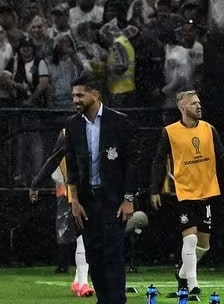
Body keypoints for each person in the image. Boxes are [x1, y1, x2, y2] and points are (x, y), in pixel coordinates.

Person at [149, 90, 224, 298]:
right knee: (190, 240)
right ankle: (193, 285)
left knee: (204, 245)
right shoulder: (169, 132)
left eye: (199, 102)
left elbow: (222, 154)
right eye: (194, 103)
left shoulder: (209, 129)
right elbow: (158, 161)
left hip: (205, 191)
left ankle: (182, 274)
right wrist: (154, 189)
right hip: (183, 192)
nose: (199, 106)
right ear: (182, 108)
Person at [64, 73, 140, 304]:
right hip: (87, 201)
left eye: (80, 95)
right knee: (94, 253)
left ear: (95, 94)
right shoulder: (72, 125)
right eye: (74, 95)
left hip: (113, 200)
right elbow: (72, 165)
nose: (75, 100)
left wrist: (129, 198)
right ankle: (104, 299)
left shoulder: (119, 121)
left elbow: (133, 162)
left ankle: (117, 300)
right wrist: (74, 201)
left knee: (113, 253)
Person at [30, 128, 95, 297]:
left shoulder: (106, 127)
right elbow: (54, 159)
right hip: (76, 192)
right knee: (82, 236)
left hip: (99, 191)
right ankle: (84, 283)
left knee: (93, 238)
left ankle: (77, 279)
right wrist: (37, 181)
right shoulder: (67, 133)